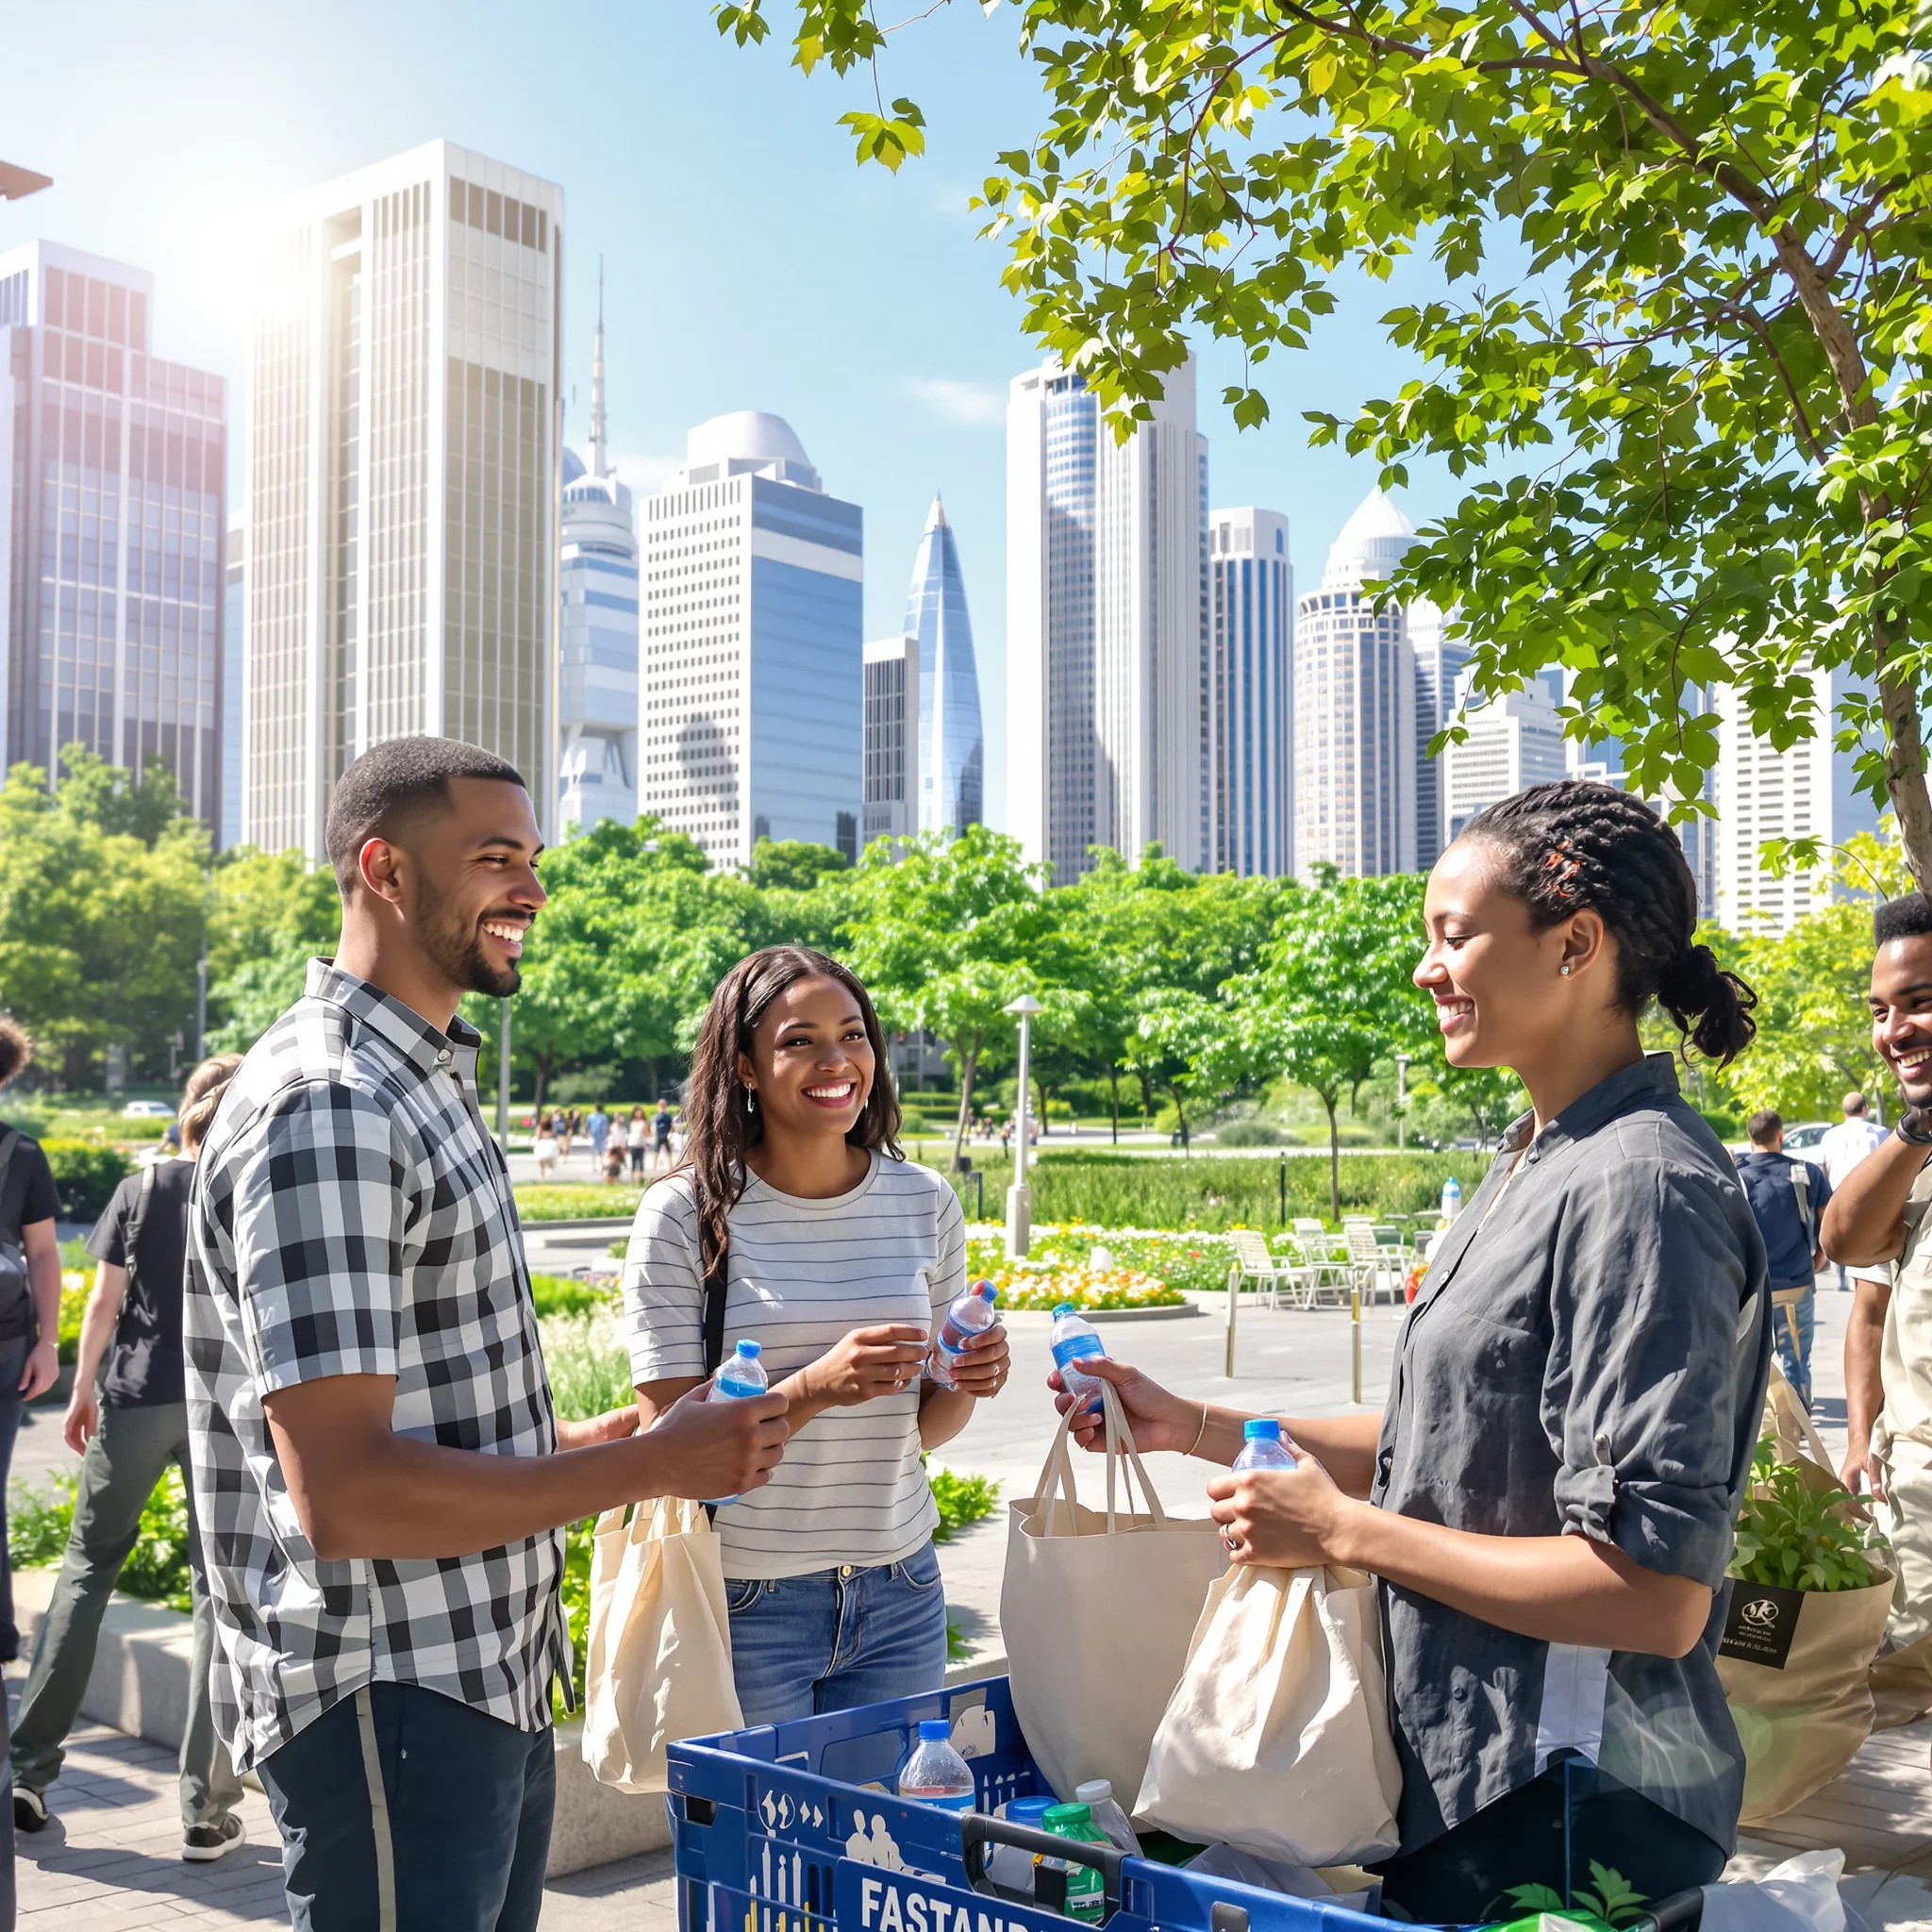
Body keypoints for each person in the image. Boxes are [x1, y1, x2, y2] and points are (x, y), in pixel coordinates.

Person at [1055, 781, 1769, 1925]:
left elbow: (1652, 1592)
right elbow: (1464, 1441)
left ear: (1574, 942)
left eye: (1454, 935)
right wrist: (1186, 1422)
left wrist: (1339, 1531)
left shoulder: (1638, 1186)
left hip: (1569, 1803)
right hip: (1477, 1782)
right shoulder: (1537, 1152)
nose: (1427, 970)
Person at [183, 737, 789, 1932]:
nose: (533, 890)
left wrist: (595, 1437)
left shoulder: (422, 1081)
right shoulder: (331, 1104)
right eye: (496, 858)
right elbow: (347, 1491)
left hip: (478, 1671)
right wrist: (655, 1464)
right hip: (393, 1689)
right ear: (384, 870)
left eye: (533, 856)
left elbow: (418, 1410)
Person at [625, 944, 1011, 1726]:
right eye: (799, 1040)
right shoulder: (684, 1214)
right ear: (743, 1067)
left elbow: (923, 1427)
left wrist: (964, 1378)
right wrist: (813, 1389)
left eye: (854, 1033)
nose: (837, 1059)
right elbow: (665, 1447)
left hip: (900, 1588)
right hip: (744, 1600)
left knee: (887, 1848)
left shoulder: (923, 1200)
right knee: (759, 1847)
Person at [11, 1056, 248, 1859]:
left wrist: (81, 1389)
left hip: (137, 1397)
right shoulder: (251, 1183)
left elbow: (104, 1303)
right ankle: (205, 1811)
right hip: (224, 1408)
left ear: (184, 1108)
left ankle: (28, 1770)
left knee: (86, 1569)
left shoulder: (142, 1187)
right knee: (220, 1591)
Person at [1823, 893, 1932, 1726]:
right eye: (1882, 1010)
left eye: (1919, 1001)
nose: (1894, 1030)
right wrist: (1861, 1439)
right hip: (1916, 1478)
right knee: (1902, 1692)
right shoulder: (1913, 1156)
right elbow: (1851, 1251)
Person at [0, 1020, 65, 1663]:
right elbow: (42, 1255)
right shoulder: (21, 1153)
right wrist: (46, 1343)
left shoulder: (22, 1154)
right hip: (9, 1346)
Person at [1735, 1109, 1831, 1408]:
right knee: (1797, 1356)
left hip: (1752, 1287)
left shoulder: (1736, 1175)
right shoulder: (1806, 1173)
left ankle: (1767, 1429)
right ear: (1781, 1136)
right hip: (1796, 1281)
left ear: (1751, 1139)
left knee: (1754, 1361)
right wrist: (1820, 1257)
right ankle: (1799, 1418)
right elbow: (1828, 1222)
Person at [1818, 1091, 1890, 1291]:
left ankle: (1842, 1278)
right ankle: (1869, 1274)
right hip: (1872, 1194)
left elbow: (1822, 1168)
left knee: (1839, 1234)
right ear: (1865, 1108)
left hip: (1838, 1192)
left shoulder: (1830, 1136)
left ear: (1844, 1112)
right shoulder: (1880, 1133)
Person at [650, 1098, 675, 1177]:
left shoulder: (668, 1117)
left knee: (668, 1152)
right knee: (656, 1152)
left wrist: (671, 1134)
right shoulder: (656, 1117)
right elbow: (654, 1127)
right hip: (658, 1135)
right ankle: (654, 1168)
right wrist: (654, 1136)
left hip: (666, 1135)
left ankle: (671, 1168)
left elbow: (671, 1127)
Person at [587, 1103, 611, 1171]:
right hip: (598, 1136)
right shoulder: (601, 1117)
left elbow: (588, 1126)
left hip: (598, 1136)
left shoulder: (593, 1116)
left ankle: (598, 1165)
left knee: (598, 1151)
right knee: (599, 1151)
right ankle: (597, 1165)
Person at [626, 1105, 648, 1177]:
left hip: (640, 1144)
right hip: (633, 1144)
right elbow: (630, 1133)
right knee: (633, 1162)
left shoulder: (643, 1123)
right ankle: (632, 1177)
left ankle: (641, 1177)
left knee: (641, 1161)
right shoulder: (632, 1123)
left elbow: (646, 1134)